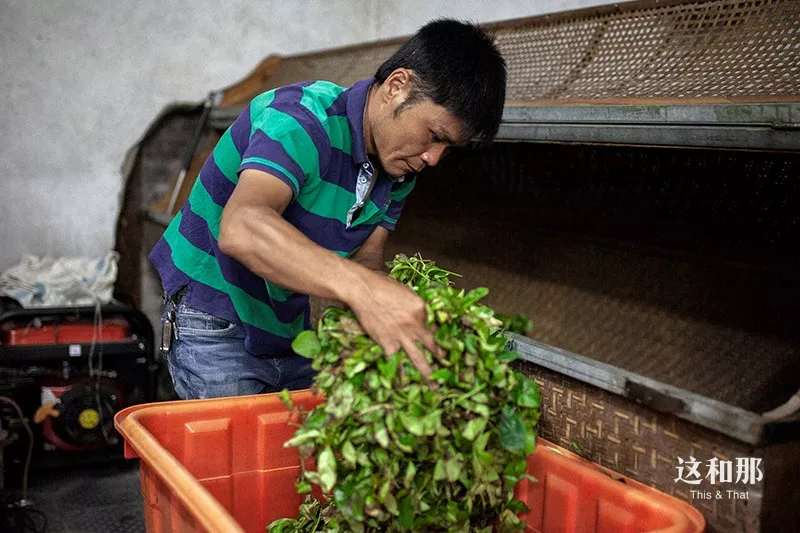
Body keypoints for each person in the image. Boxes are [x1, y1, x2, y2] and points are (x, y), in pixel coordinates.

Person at [149, 18, 507, 399]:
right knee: (237, 452)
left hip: (286, 321)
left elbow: (366, 259)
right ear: (397, 86)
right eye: (434, 136)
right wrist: (363, 291)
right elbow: (242, 228)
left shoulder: (399, 167)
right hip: (214, 315)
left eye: (448, 148)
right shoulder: (300, 120)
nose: (434, 158)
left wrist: (404, 309)